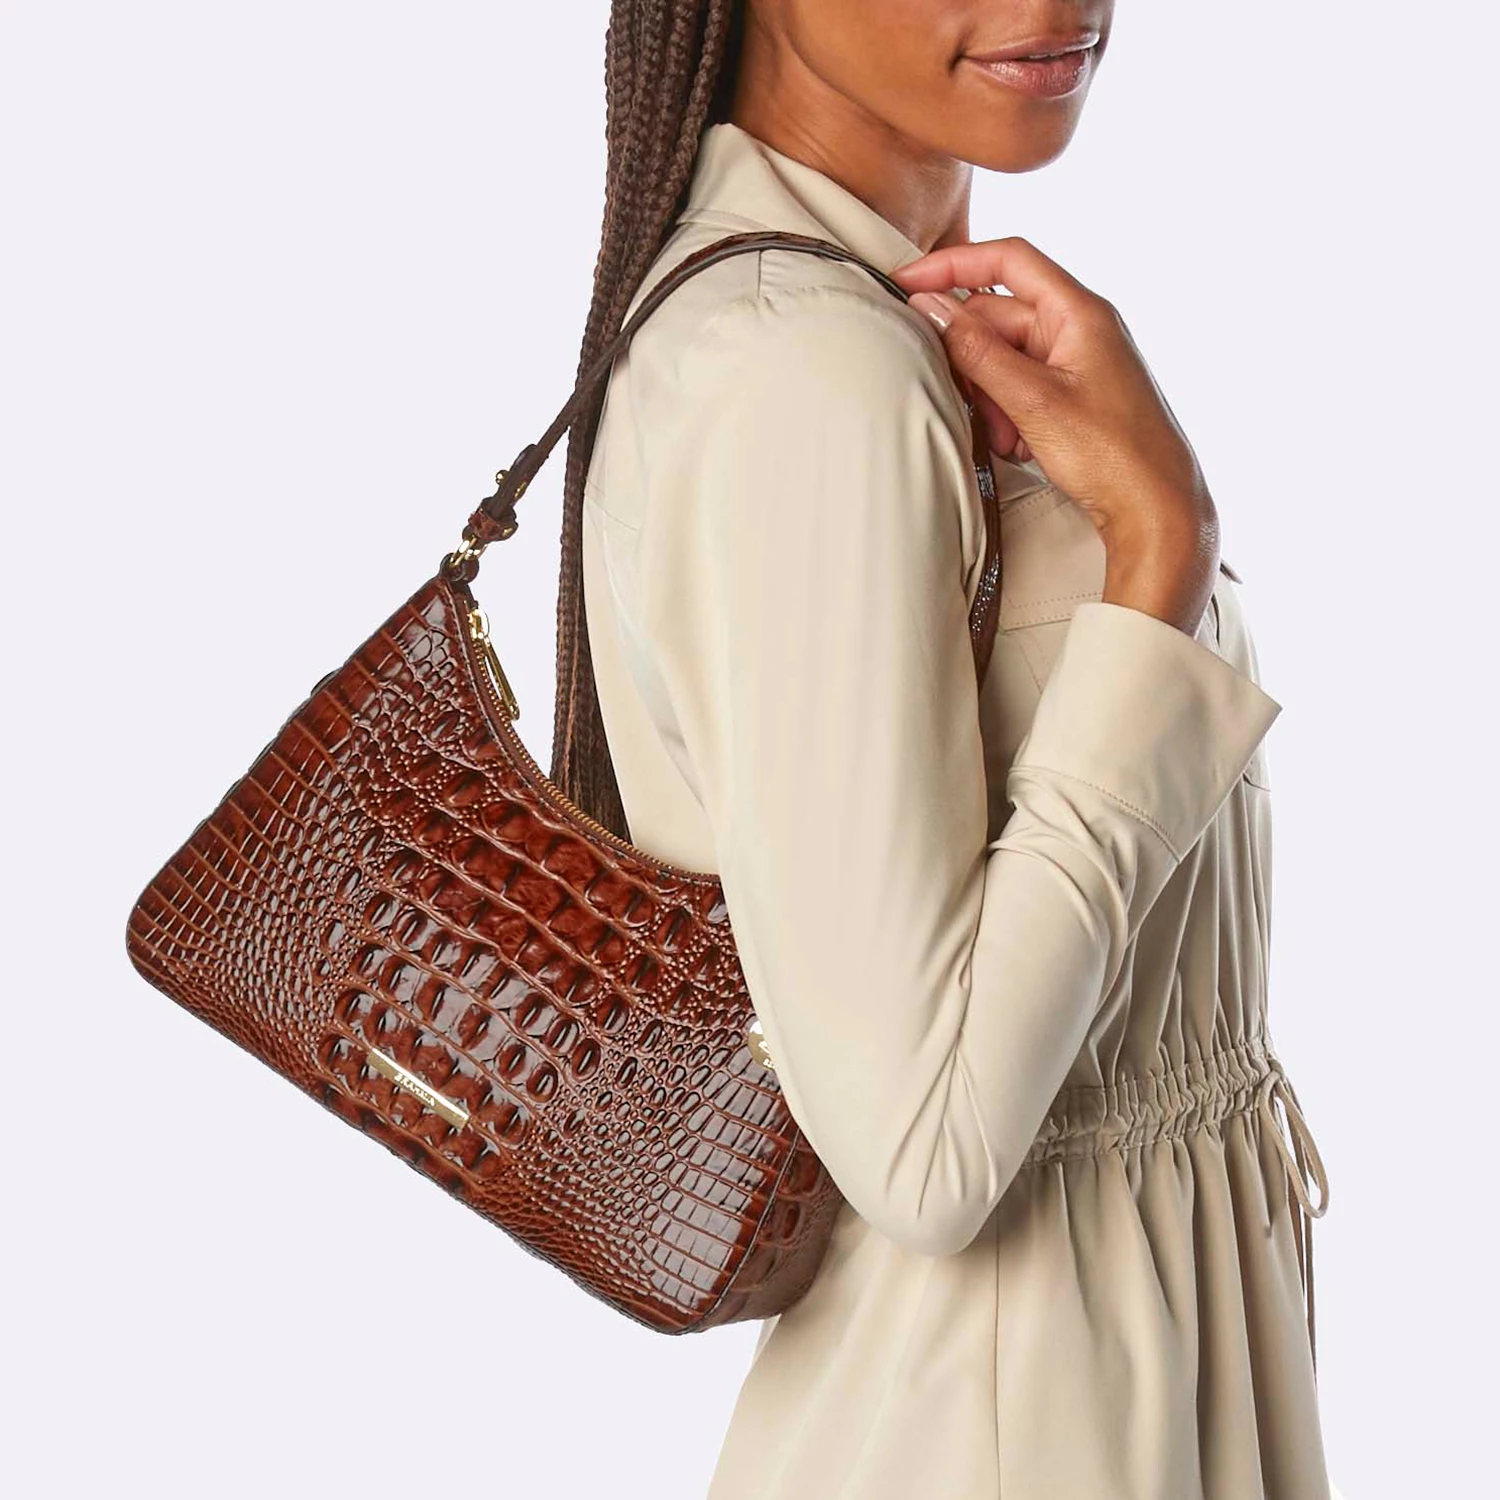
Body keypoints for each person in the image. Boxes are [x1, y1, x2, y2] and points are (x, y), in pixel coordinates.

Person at [553, 3, 1334, 1496]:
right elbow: (925, 1151)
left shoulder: (879, 332)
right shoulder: (805, 375)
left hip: (1107, 1390)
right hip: (1006, 1426)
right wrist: (1158, 546)